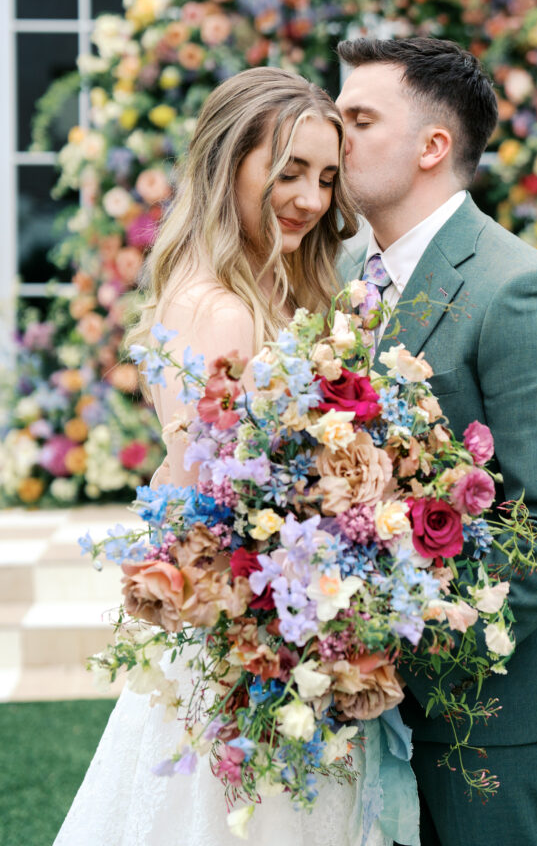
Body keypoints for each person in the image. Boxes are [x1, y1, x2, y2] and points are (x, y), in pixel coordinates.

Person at [54, 67, 394, 846]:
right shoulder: (221, 310)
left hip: (275, 625)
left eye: (325, 177)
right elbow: (225, 510)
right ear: (227, 165)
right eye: (287, 171)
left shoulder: (272, 292)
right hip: (248, 644)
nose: (309, 199)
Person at [336, 36, 537, 846]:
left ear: (433, 145)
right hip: (368, 700)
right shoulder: (351, 270)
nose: (334, 135)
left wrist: (396, 658)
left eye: (359, 118)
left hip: (500, 709)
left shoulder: (520, 291)